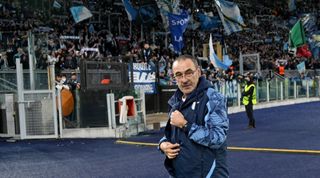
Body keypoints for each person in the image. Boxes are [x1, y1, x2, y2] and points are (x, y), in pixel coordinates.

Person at [158, 55, 229, 178]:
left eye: (189, 73)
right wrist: (163, 145)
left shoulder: (213, 98)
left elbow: (218, 138)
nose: (184, 79)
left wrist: (185, 125)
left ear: (199, 72)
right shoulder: (175, 101)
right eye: (179, 75)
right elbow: (172, 135)